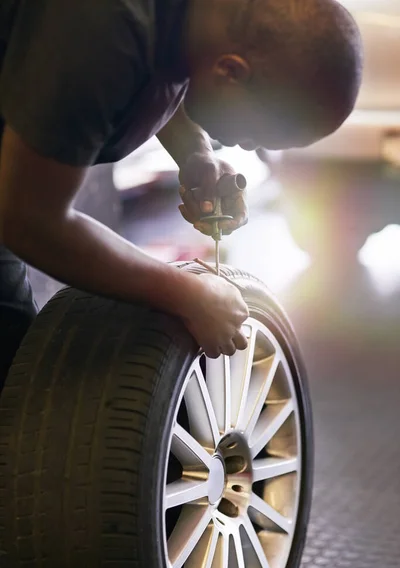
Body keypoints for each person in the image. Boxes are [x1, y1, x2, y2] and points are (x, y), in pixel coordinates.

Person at [0, 0, 363, 389]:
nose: (243, 146)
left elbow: (162, 65)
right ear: (230, 71)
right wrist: (187, 295)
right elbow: (26, 218)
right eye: (251, 134)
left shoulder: (197, 20)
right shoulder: (102, 27)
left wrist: (195, 153)